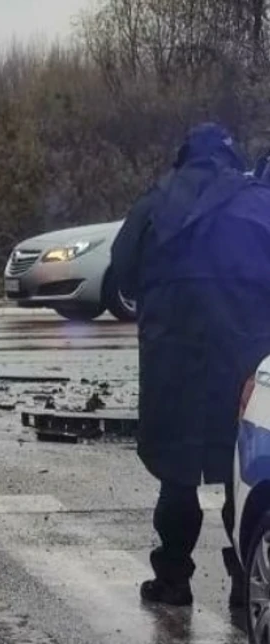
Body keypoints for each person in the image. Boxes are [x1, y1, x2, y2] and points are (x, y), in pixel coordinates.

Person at [110, 122, 270, 607]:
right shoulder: (257, 202)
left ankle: (173, 577)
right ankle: (247, 578)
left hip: (171, 359)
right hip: (243, 360)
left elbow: (122, 271)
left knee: (177, 473)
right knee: (240, 470)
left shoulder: (155, 204)